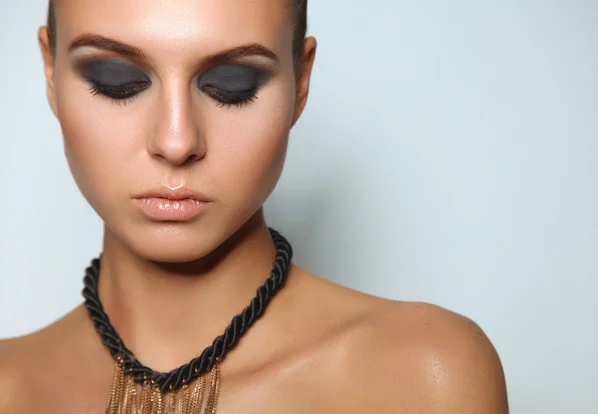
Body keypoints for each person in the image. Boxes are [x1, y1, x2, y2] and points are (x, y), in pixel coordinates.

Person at [0, 0, 509, 412]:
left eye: (232, 86)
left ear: (300, 83)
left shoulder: (422, 375)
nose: (176, 142)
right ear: (50, 70)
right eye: (116, 81)